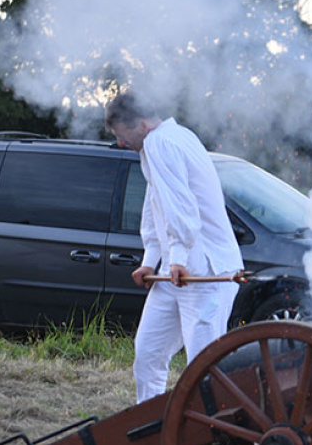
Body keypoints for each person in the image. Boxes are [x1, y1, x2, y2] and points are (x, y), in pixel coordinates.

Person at [104, 93, 244, 403]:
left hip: (204, 270)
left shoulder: (162, 143)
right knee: (149, 353)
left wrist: (179, 258)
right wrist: (150, 261)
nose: (121, 144)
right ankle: (152, 434)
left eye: (121, 136)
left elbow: (183, 209)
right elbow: (156, 207)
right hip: (173, 271)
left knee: (203, 364)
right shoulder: (168, 140)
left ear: (140, 124)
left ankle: (198, 443)